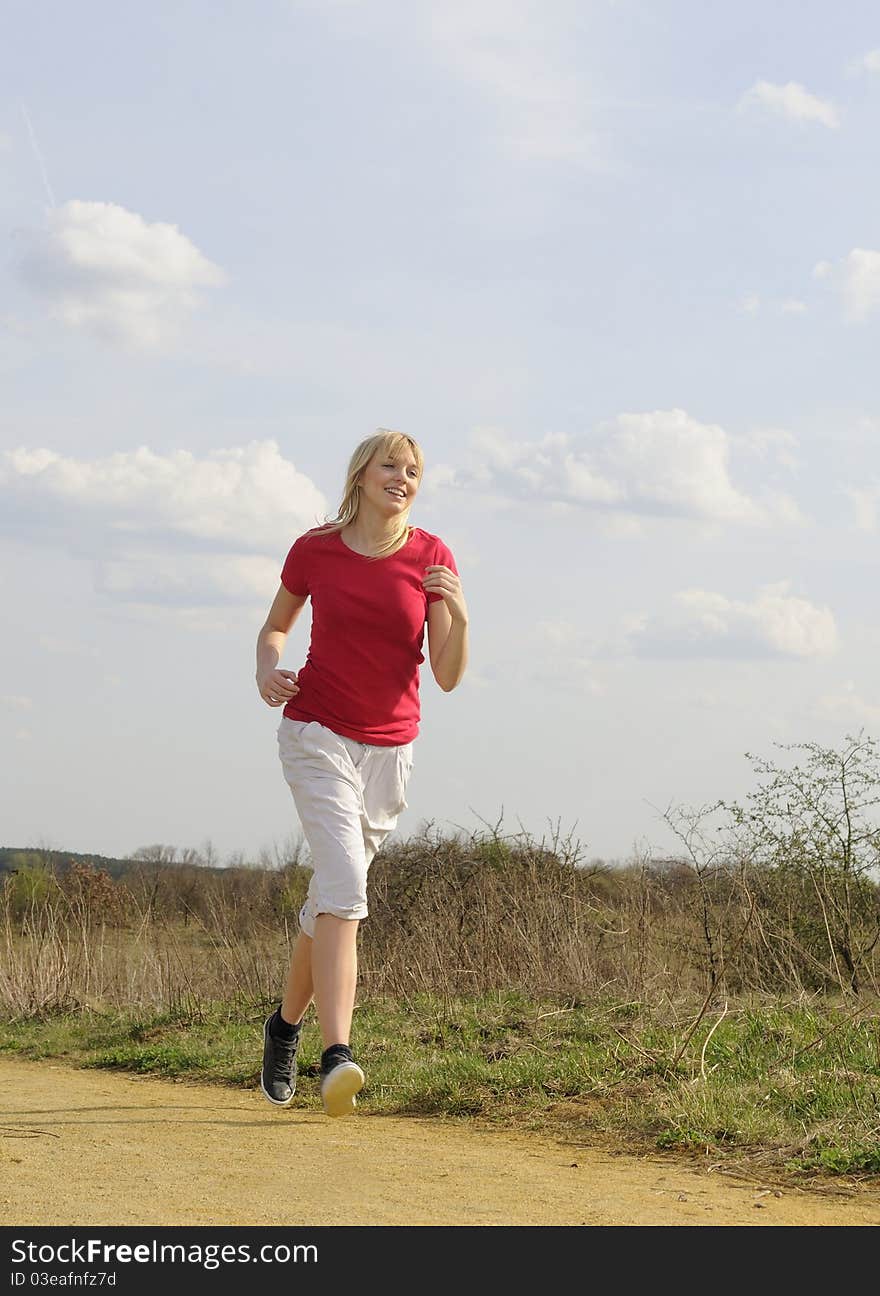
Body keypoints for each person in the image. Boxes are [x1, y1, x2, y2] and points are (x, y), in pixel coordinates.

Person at [254, 429, 468, 1117]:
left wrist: (459, 614)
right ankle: (336, 1055)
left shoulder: (432, 556)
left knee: (329, 897)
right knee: (345, 888)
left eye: (413, 471)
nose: (402, 478)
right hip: (316, 732)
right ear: (361, 474)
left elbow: (447, 674)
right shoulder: (315, 548)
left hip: (389, 751)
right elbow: (275, 627)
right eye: (390, 466)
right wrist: (267, 669)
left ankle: (282, 1028)